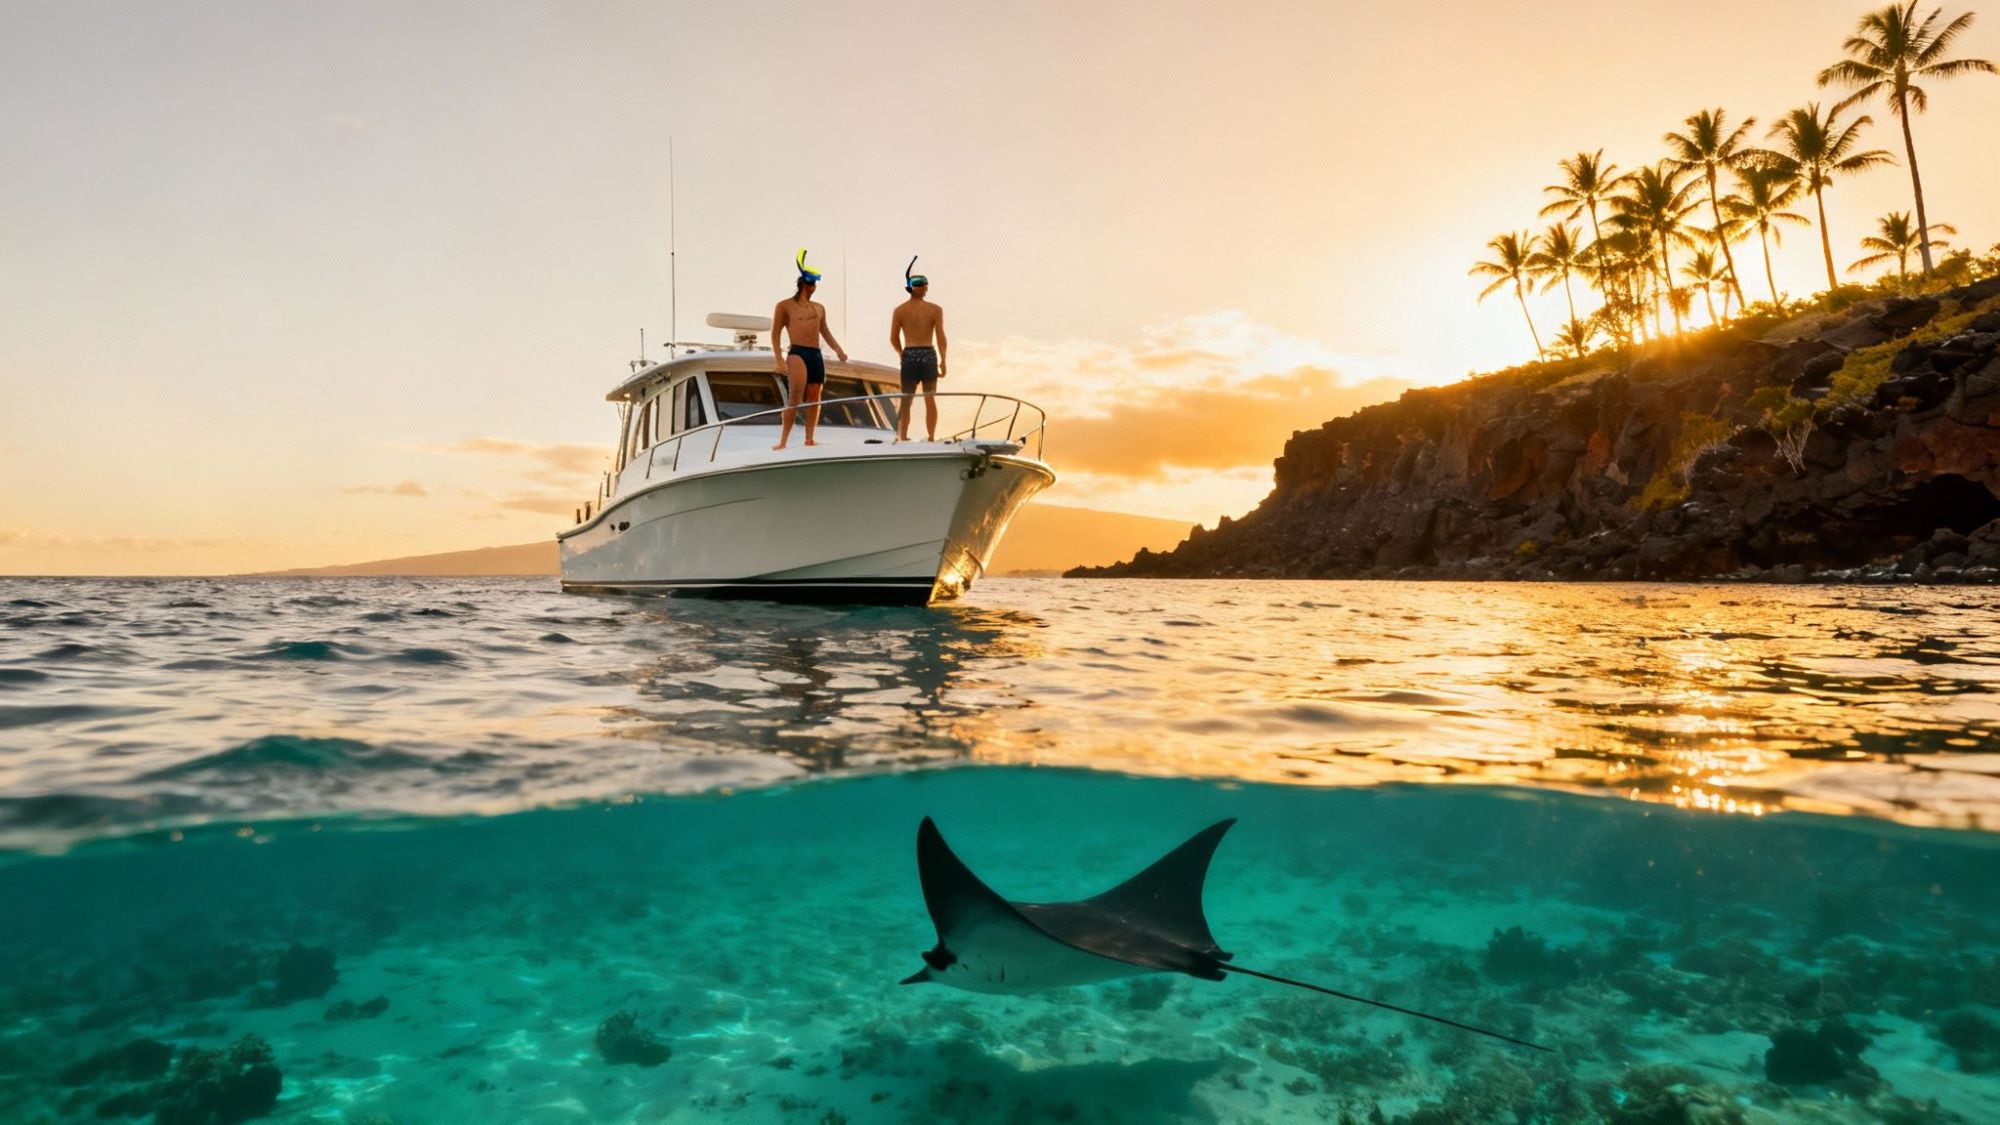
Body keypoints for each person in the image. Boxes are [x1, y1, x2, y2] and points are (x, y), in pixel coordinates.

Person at [771, 250, 847, 450]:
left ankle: (809, 438)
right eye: (811, 283)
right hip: (797, 353)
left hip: (815, 354)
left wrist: (838, 350)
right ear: (802, 283)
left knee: (815, 396)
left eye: (815, 284)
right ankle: (783, 441)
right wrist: (779, 359)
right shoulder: (785, 306)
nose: (813, 287)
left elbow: (825, 331)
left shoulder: (819, 307)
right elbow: (776, 333)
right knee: (795, 398)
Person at [889, 256, 947, 442]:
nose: (924, 287)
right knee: (927, 398)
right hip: (928, 355)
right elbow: (940, 337)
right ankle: (928, 436)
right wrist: (943, 360)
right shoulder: (934, 309)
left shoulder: (900, 310)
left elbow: (893, 338)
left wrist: (901, 353)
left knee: (908, 399)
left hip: (911, 355)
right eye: (921, 284)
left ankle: (909, 436)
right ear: (912, 286)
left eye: (924, 284)